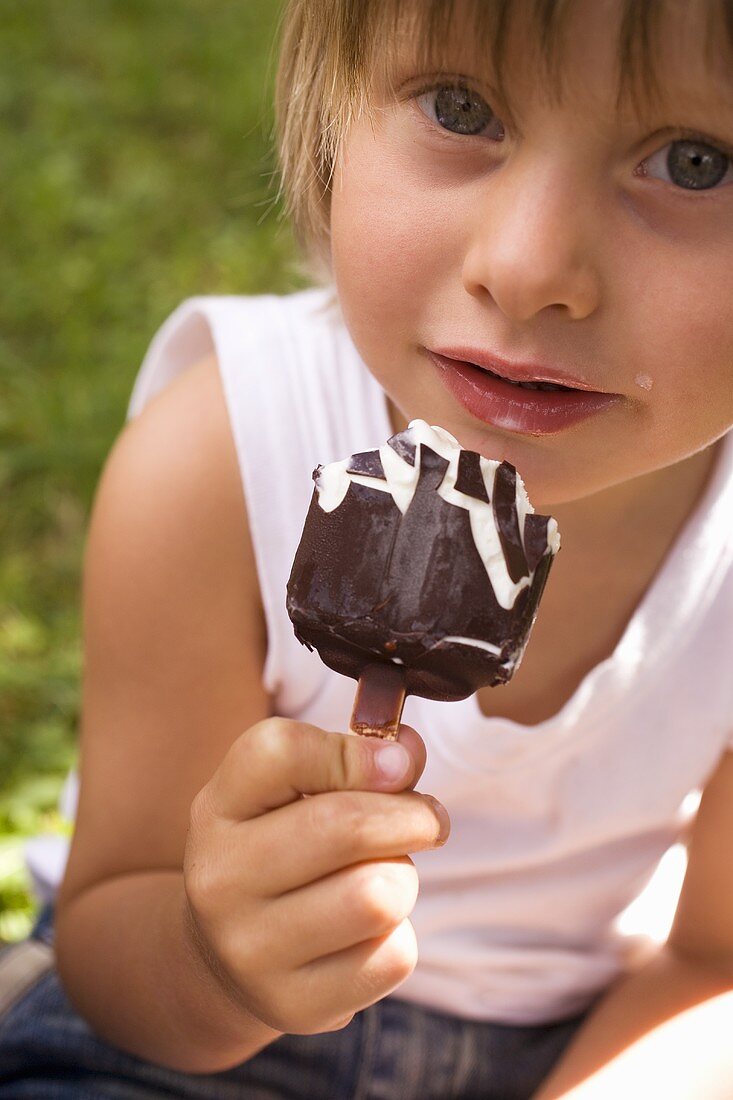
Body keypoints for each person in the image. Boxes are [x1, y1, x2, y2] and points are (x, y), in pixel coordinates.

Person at [2, 0, 733, 1096]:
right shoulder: (220, 456)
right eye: (459, 107)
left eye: (694, 160)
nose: (529, 266)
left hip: (580, 1037)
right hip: (193, 1038)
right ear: (330, 118)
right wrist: (215, 963)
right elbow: (116, 931)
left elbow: (711, 961)